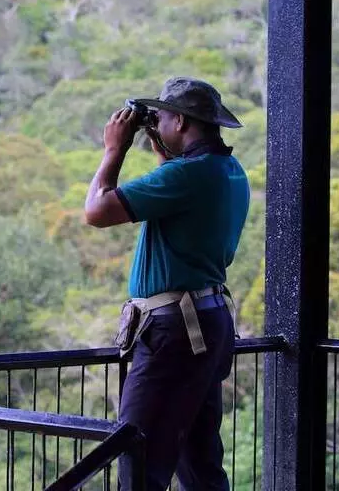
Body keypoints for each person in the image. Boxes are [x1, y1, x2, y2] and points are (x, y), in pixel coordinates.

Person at [84, 77, 250, 490]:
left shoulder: (186, 176)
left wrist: (114, 150)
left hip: (174, 331)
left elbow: (97, 211)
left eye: (160, 117)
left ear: (181, 122)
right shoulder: (229, 171)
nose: (156, 124)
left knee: (137, 457)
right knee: (199, 462)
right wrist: (164, 155)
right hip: (208, 322)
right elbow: (181, 204)